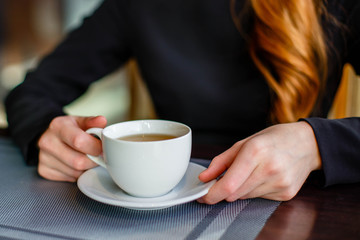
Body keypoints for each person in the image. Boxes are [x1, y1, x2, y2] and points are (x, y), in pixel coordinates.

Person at [5, 0, 360, 204]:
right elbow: (31, 93)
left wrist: (315, 143)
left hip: (296, 208)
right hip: (164, 209)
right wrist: (45, 134)